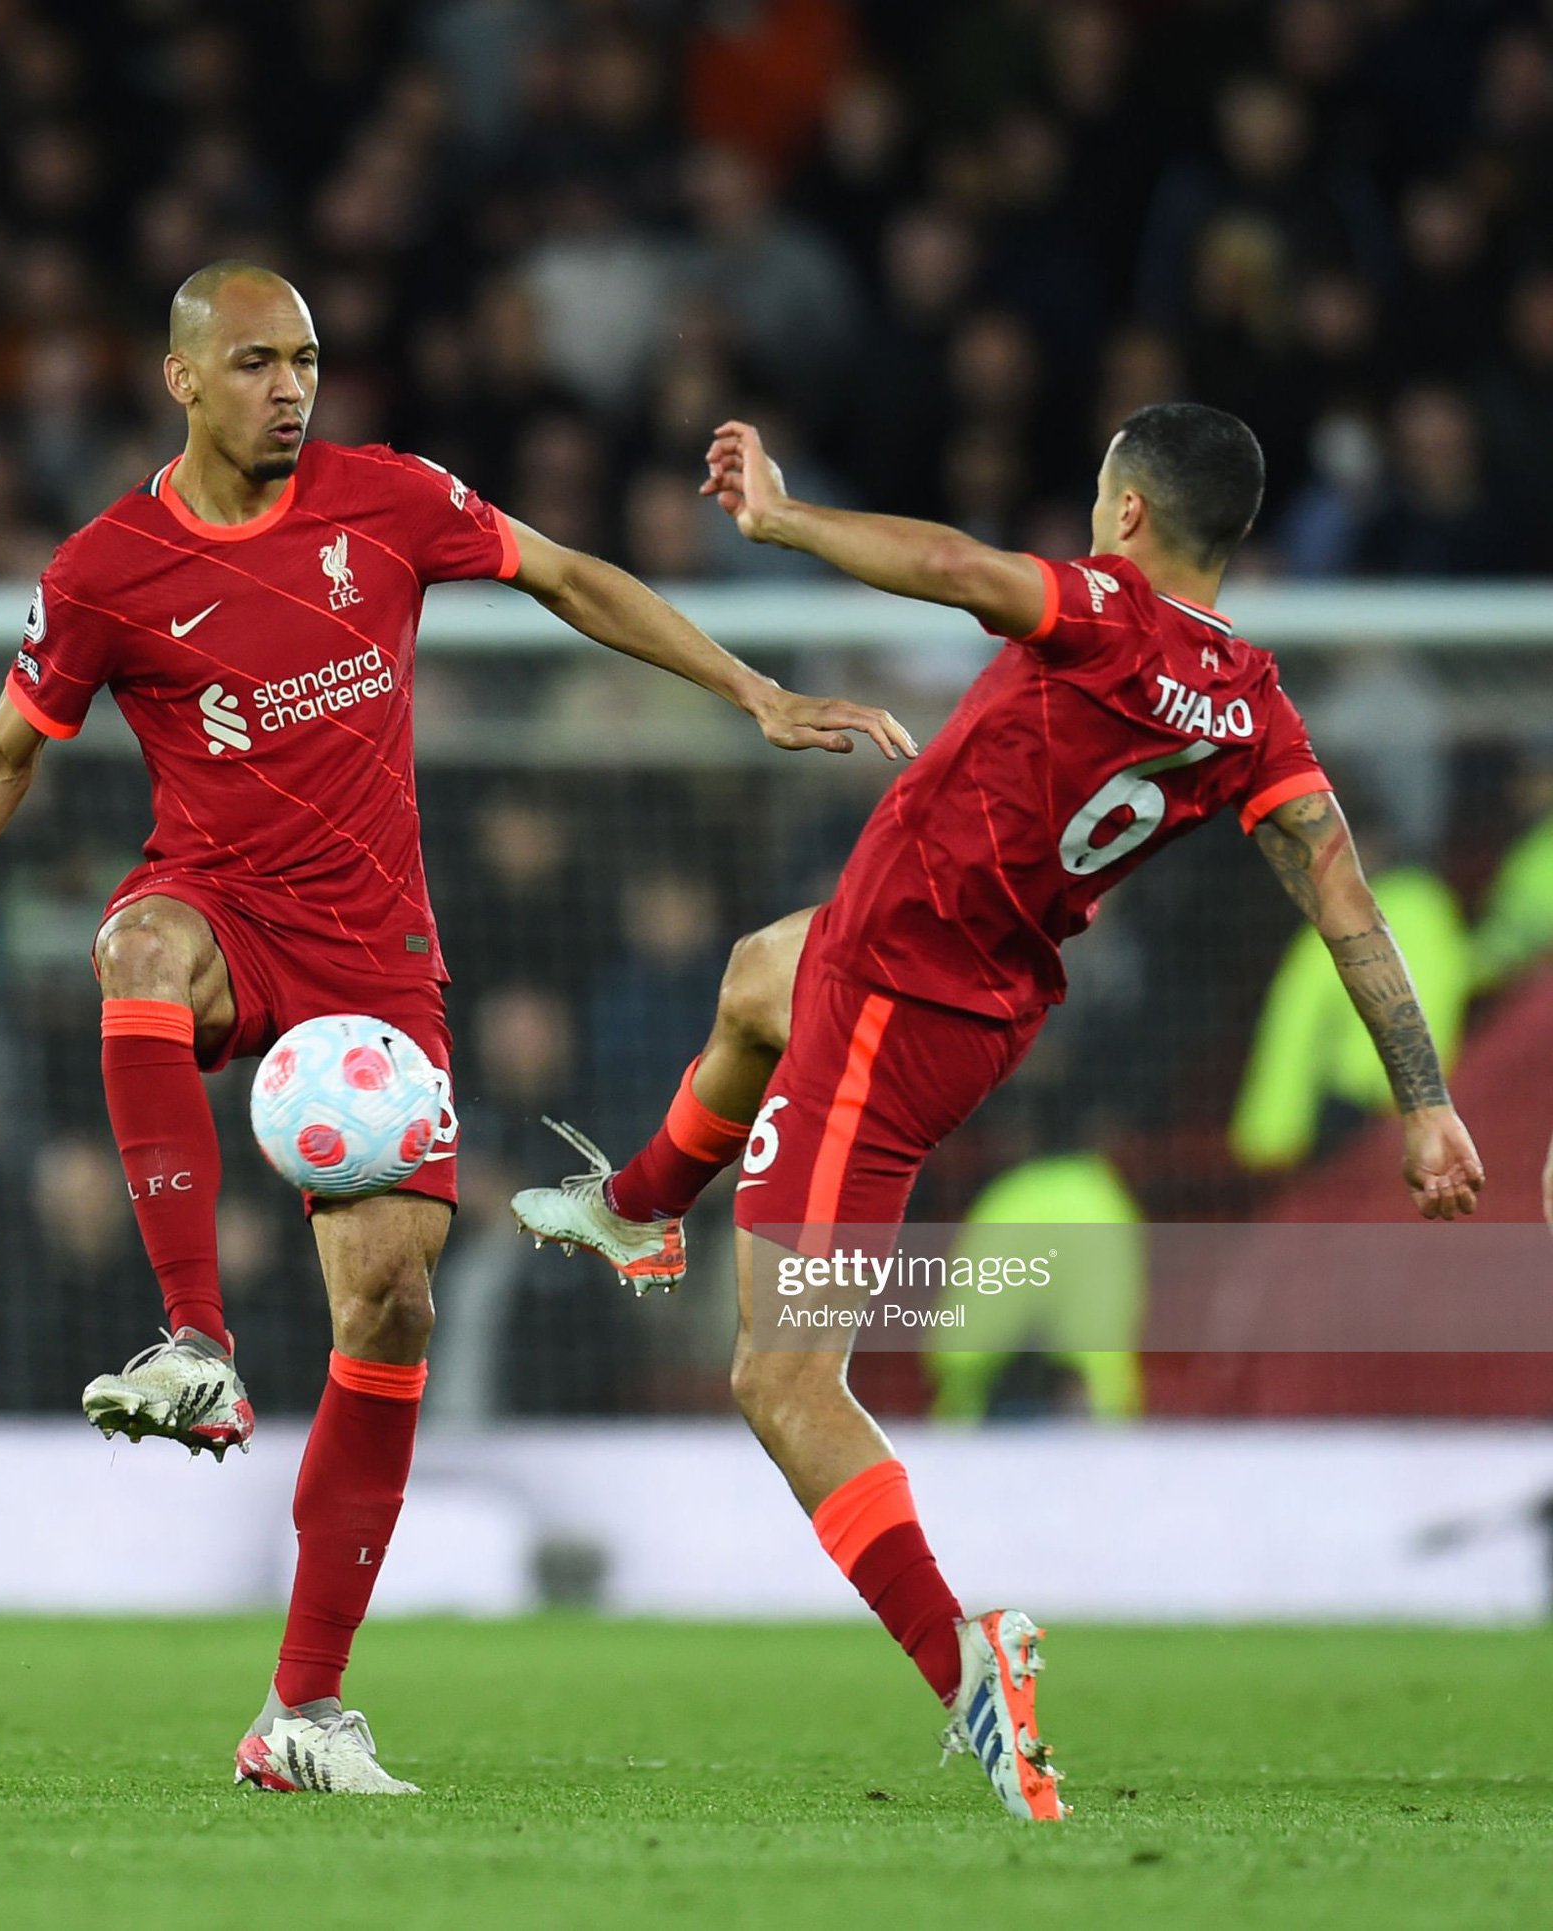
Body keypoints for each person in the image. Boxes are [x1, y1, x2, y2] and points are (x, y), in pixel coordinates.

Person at [0, 262, 907, 1794]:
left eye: (306, 358)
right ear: (180, 377)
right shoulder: (107, 568)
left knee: (390, 1302)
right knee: (139, 944)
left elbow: (571, 575)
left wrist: (752, 688)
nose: (290, 387)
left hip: (377, 965)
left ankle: (301, 1711)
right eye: (255, 362)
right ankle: (194, 1339)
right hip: (225, 911)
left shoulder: (386, 501)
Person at [513, 403, 1485, 1821]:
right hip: (967, 983)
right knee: (749, 980)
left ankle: (964, 1658)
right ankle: (641, 1208)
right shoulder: (1254, 706)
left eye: (1100, 495)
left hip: (892, 1000)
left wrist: (781, 523)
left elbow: (963, 568)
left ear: (1132, 513)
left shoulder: (1104, 612)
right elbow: (1346, 906)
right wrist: (1431, 1103)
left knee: (779, 1384)